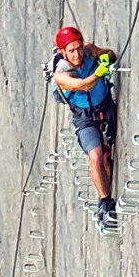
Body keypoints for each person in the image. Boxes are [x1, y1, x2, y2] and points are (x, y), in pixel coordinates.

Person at [51, 25, 119, 230]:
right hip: (85, 119)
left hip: (105, 108)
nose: (77, 54)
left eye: (79, 48)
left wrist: (105, 57)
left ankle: (106, 194)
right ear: (63, 52)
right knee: (95, 156)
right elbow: (82, 85)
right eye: (71, 50)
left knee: (106, 159)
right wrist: (99, 73)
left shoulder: (88, 51)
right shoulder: (60, 75)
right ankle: (105, 202)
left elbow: (110, 55)